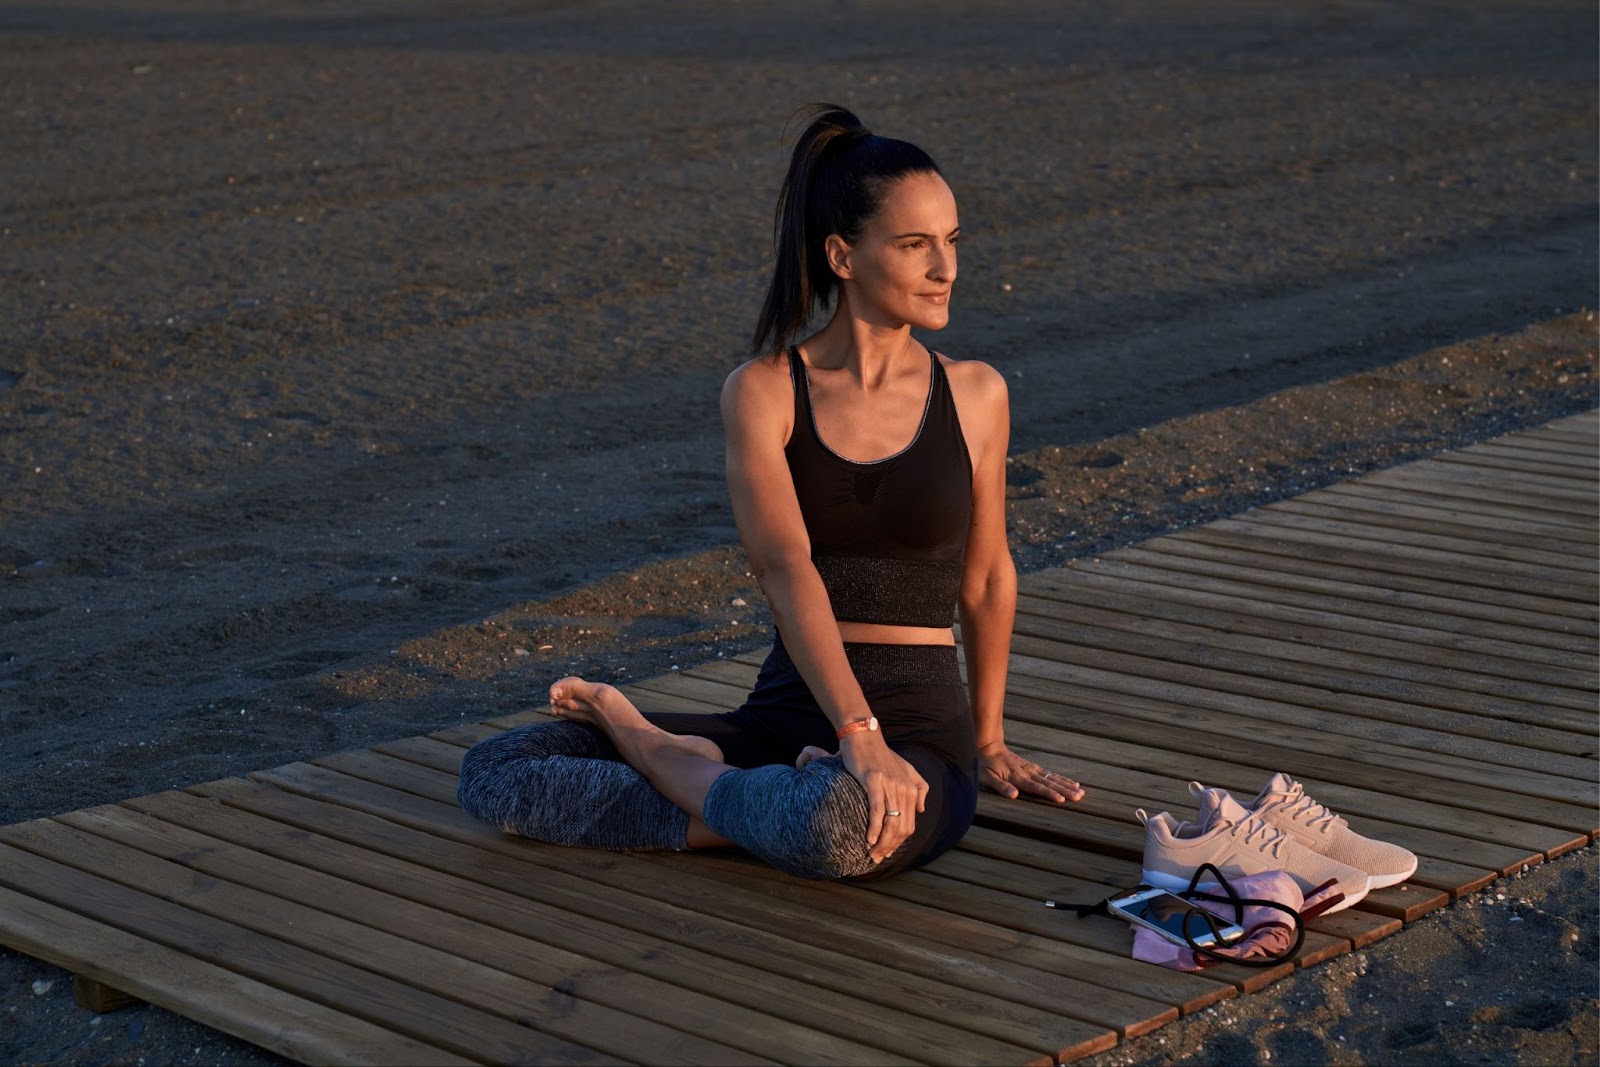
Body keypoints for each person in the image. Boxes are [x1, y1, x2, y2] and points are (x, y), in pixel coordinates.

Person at [458, 104, 1084, 880]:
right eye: (916, 244)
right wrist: (855, 733)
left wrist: (986, 742)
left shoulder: (976, 393)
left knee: (840, 825)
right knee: (498, 767)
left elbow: (987, 577)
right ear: (843, 256)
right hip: (790, 712)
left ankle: (662, 756)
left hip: (923, 727)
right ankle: (743, 784)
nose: (946, 268)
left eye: (952, 242)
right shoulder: (765, 391)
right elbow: (786, 569)